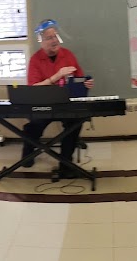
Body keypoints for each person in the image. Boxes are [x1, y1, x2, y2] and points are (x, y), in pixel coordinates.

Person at [23, 19, 94, 177]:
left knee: (75, 123)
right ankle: (27, 154)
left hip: (66, 104)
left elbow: (79, 79)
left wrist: (86, 83)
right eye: (49, 38)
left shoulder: (68, 55)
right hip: (43, 105)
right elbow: (33, 89)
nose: (54, 40)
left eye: (55, 36)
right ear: (41, 41)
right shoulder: (35, 60)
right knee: (34, 125)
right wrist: (57, 76)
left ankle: (65, 163)